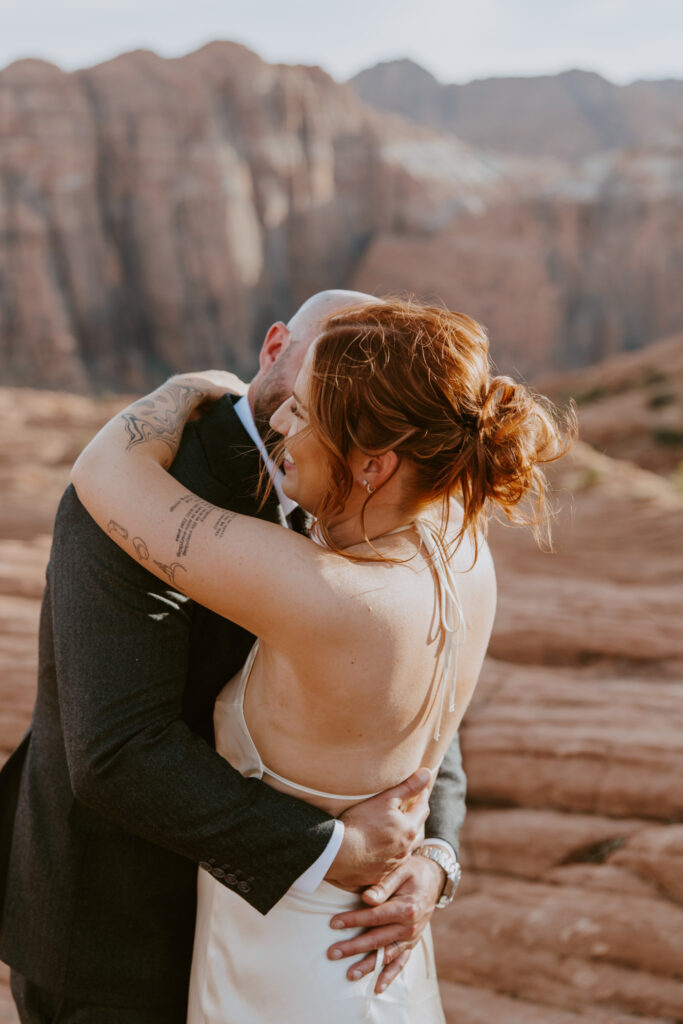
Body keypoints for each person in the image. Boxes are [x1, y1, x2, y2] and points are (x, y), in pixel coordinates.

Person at [70, 298, 572, 1021]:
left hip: (290, 971)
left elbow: (105, 469)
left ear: (374, 462)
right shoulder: (461, 541)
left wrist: (194, 385)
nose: (276, 420)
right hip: (380, 959)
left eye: (302, 414)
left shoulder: (325, 593)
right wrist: (436, 858)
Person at [0, 291, 467, 1024]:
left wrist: (431, 858)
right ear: (276, 347)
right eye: (320, 373)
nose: (297, 417)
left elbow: (420, 693)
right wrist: (329, 851)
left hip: (311, 936)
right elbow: (118, 752)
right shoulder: (146, 490)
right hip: (122, 934)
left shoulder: (383, 503)